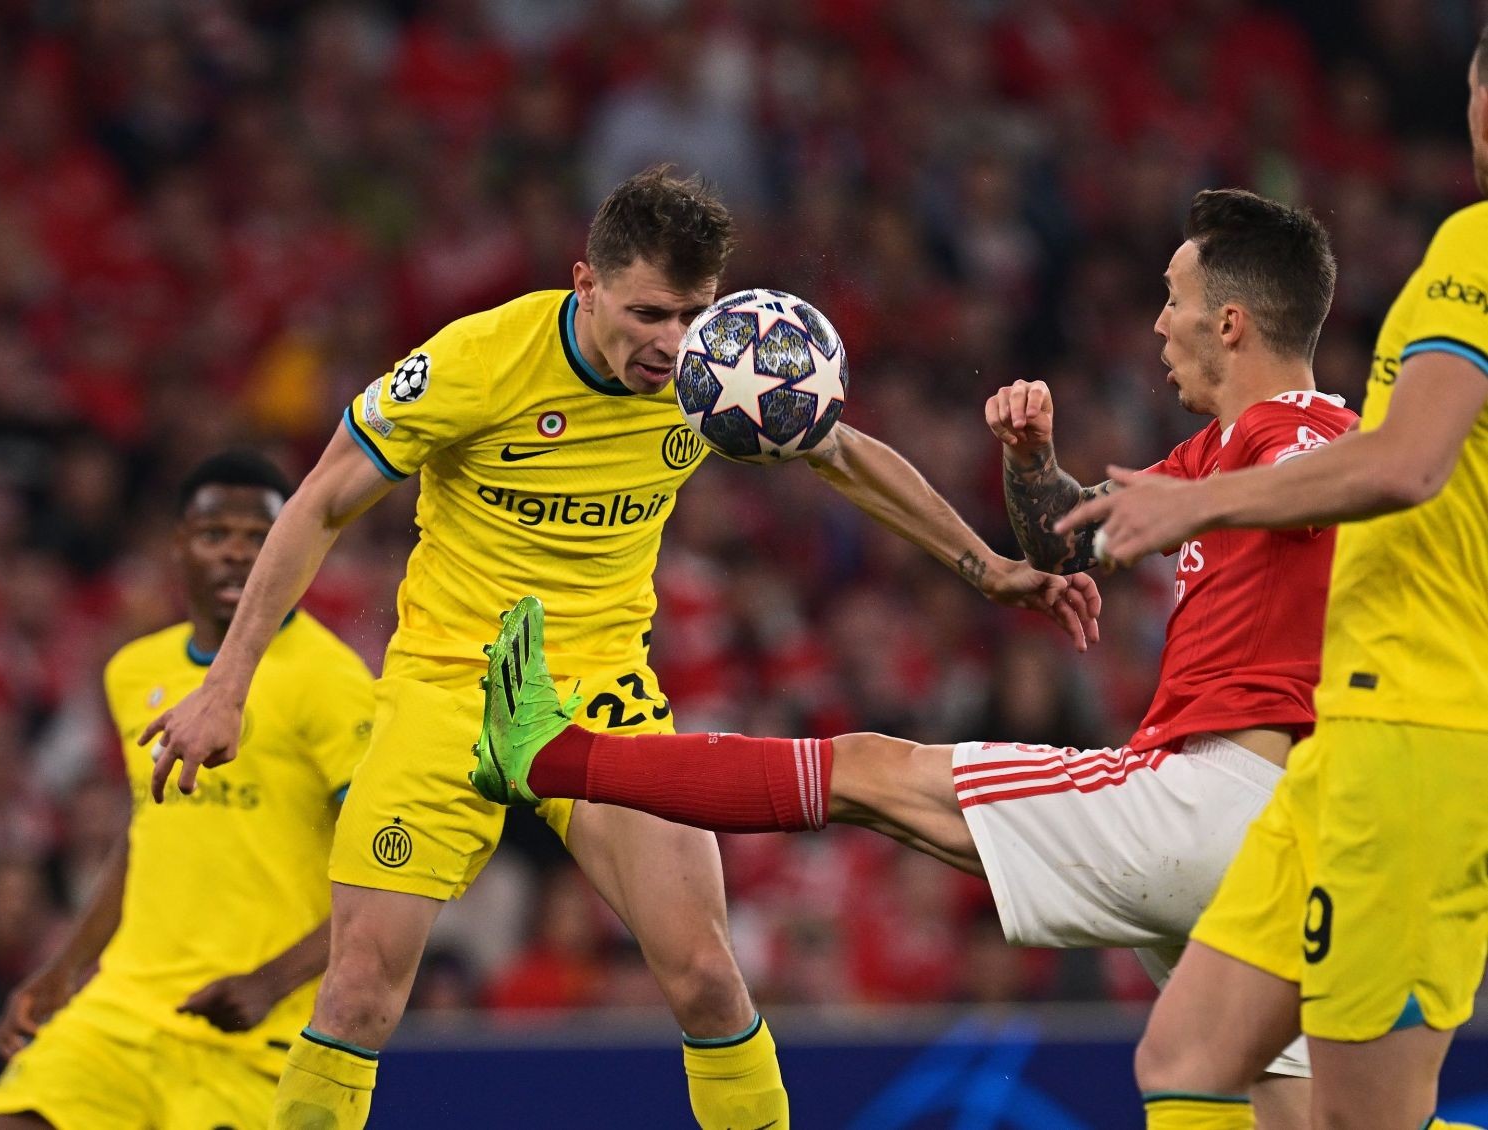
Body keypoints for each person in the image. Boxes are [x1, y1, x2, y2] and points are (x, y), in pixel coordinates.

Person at [142, 166, 1097, 1130]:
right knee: (356, 995)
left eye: (691, 313)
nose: (672, 343)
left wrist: (985, 568)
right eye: (647, 314)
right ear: (585, 284)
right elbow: (319, 501)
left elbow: (840, 452)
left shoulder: (714, 373)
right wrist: (228, 686)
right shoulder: (479, 361)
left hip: (600, 693)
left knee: (708, 980)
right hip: (447, 691)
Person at [470, 188, 1352, 1128]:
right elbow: (1067, 541)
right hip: (1265, 844)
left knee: (869, 772)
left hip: (1212, 799)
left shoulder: (1299, 432)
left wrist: (1214, 501)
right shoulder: (1213, 451)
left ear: (1230, 322)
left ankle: (549, 757)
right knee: (1285, 1110)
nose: (1158, 323)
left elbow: (1324, 479)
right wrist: (1030, 463)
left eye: (1173, 299)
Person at [1056, 36, 1488, 1130]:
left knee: (1358, 1118)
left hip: (1416, 727)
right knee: (1185, 1054)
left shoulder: (1476, 244)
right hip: (1352, 731)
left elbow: (1406, 462)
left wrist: (1197, 503)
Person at [0, 451, 374, 1130]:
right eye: (215, 534)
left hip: (253, 1030)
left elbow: (388, 872)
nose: (236, 553)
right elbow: (147, 831)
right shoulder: (135, 671)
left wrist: (271, 981)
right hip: (124, 1013)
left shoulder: (331, 682)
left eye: (260, 537)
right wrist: (66, 967)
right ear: (178, 546)